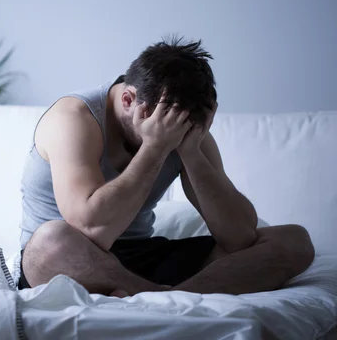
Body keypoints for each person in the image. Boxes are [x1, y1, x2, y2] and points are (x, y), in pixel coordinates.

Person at [17, 37, 315, 296]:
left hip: (139, 258)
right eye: (166, 122)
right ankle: (160, 298)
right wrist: (156, 147)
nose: (175, 132)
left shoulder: (184, 128)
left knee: (294, 241)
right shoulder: (74, 118)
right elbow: (93, 229)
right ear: (128, 99)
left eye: (184, 125)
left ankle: (163, 297)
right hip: (74, 258)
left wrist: (192, 152)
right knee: (51, 241)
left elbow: (238, 237)